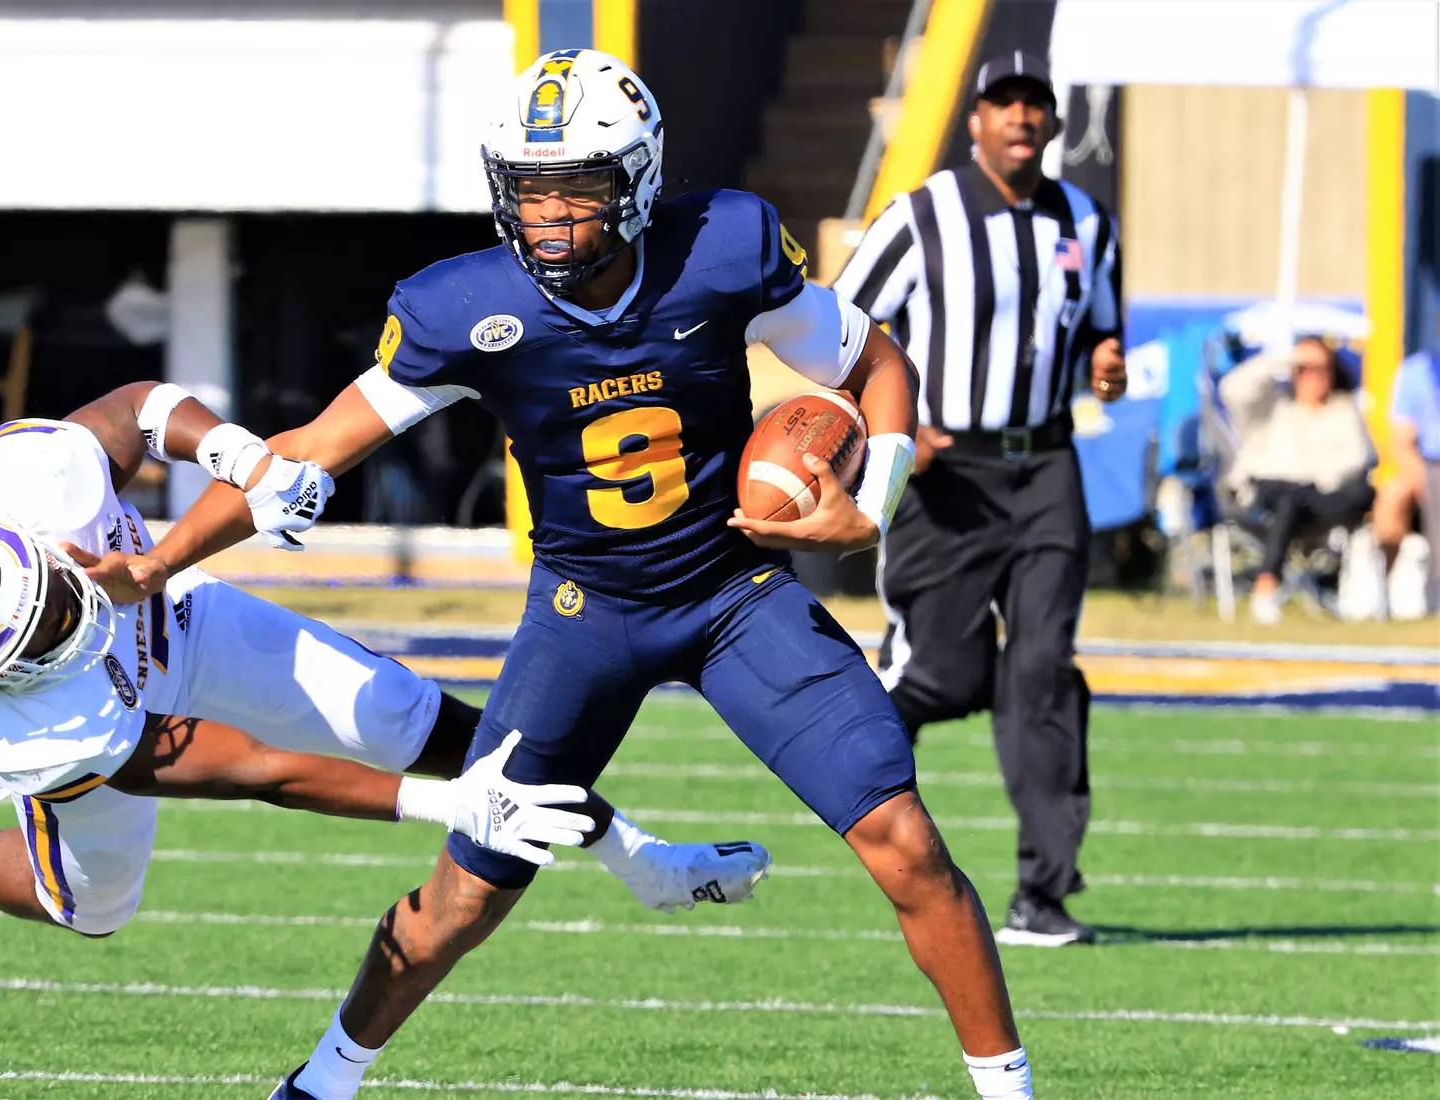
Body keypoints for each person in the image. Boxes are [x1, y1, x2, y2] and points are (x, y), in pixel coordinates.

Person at [90, 50, 1033, 1100]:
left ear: (634, 180)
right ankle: (319, 1082)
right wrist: (163, 558)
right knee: (464, 887)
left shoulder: (717, 248)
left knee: (903, 839)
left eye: (576, 188)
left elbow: (875, 361)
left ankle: (1009, 1091)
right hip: (585, 613)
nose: (547, 215)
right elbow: (309, 446)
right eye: (527, 188)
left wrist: (879, 490)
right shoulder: (462, 306)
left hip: (735, 591)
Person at [0, 390, 772, 926]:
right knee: (91, 909)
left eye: (52, 590)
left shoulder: (23, 479)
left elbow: (139, 410)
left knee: (407, 717)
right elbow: (263, 770)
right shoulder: (31, 734)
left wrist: (237, 456)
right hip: (118, 727)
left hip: (184, 619)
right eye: (47, 630)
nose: (74, 611)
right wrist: (446, 805)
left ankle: (643, 859)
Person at [832, 52, 1126, 948]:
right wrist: (897, 427)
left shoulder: (1085, 219)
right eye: (1004, 104)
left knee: (1042, 672)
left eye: (1035, 105)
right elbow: (840, 328)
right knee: (944, 675)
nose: (1021, 119)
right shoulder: (922, 216)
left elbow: (1101, 332)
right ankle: (843, 755)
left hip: (1045, 469)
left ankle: (1044, 892)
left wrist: (1104, 365)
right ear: (975, 121)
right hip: (947, 473)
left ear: (1052, 121)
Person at [1219, 337, 1376, 623]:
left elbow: (1359, 455)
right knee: (1290, 500)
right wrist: (1290, 357)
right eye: (1307, 369)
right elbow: (1233, 387)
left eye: (1322, 369)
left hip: (1320, 497)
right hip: (1269, 494)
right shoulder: (1271, 407)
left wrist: (1322, 478)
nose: (1315, 377)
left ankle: (1272, 585)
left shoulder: (1343, 409)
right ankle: (1267, 585)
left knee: (1358, 492)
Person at [1371, 347, 1439, 614]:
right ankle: (1381, 592)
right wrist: (1421, 481)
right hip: (1428, 464)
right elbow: (1402, 440)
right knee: (1393, 498)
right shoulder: (1417, 370)